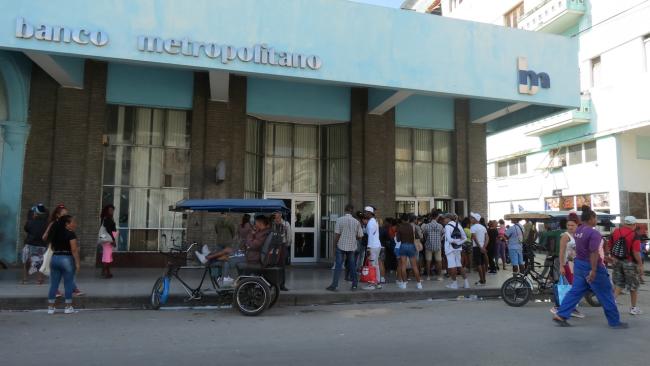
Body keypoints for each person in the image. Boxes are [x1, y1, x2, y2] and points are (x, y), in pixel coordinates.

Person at [552, 206, 626, 328]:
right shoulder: (594, 233)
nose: (596, 220)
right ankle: (614, 321)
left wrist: (604, 258)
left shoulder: (579, 231)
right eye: (595, 217)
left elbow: (583, 249)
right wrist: (594, 269)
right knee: (606, 292)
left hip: (579, 264)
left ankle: (561, 314)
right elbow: (593, 252)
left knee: (575, 291)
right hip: (591, 265)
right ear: (591, 218)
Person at [43, 204, 84, 297]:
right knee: (58, 274)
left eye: (67, 214)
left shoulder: (66, 225)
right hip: (57, 252)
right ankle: (67, 298)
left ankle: (70, 290)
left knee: (64, 273)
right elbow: (45, 237)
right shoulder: (54, 224)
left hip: (63, 252)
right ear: (57, 215)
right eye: (64, 214)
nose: (66, 216)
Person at [550, 213, 584, 318]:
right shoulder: (565, 236)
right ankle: (562, 307)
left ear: (577, 225)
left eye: (572, 225)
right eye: (568, 225)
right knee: (572, 287)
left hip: (577, 265)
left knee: (574, 287)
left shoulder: (579, 235)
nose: (570, 227)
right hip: (567, 265)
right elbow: (561, 252)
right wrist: (561, 266)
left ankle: (567, 307)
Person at [608, 216, 643, 315]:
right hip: (630, 263)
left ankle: (611, 303)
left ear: (624, 223)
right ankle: (633, 308)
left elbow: (609, 245)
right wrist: (640, 264)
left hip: (617, 261)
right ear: (634, 224)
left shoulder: (615, 232)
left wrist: (612, 257)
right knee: (633, 286)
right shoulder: (634, 235)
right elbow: (636, 252)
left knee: (618, 284)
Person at [46, 215, 81, 315]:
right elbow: (74, 250)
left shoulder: (55, 234)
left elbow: (51, 247)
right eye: (73, 222)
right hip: (67, 258)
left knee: (54, 284)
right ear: (67, 224)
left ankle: (51, 308)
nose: (75, 224)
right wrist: (78, 263)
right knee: (68, 284)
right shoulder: (71, 234)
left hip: (55, 257)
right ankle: (68, 307)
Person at [327, 204, 364, 291]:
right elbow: (360, 236)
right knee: (352, 265)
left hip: (341, 246)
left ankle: (334, 285)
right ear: (352, 211)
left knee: (338, 266)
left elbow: (337, 235)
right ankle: (354, 284)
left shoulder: (339, 220)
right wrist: (354, 237)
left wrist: (334, 245)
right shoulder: (356, 222)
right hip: (351, 247)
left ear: (345, 210)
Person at [22, 204, 49, 284]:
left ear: (35, 213)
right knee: (40, 262)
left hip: (30, 244)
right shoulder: (46, 224)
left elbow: (26, 229)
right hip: (41, 245)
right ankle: (39, 279)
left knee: (27, 261)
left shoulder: (30, 222)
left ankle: (25, 279)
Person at [395, 214, 423, 289]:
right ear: (408, 219)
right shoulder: (413, 227)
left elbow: (398, 240)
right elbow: (418, 237)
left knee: (403, 266)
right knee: (414, 266)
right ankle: (419, 283)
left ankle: (404, 283)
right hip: (411, 246)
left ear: (402, 220)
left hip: (403, 246)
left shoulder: (400, 228)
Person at [443, 213, 469, 289]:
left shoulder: (447, 226)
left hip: (450, 249)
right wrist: (458, 243)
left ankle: (454, 284)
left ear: (448, 219)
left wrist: (455, 242)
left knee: (452, 266)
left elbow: (449, 239)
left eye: (444, 218)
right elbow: (465, 238)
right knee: (459, 265)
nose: (443, 220)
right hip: (458, 248)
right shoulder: (458, 225)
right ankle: (466, 283)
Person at [271, 212, 291, 291]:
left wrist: (287, 244)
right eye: (275, 217)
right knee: (273, 265)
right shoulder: (272, 224)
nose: (276, 219)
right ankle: (273, 284)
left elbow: (289, 235)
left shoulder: (286, 224)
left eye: (277, 217)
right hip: (273, 246)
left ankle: (282, 284)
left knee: (282, 266)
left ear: (280, 216)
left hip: (282, 246)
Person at [363, 206, 382, 290]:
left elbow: (370, 236)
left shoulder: (371, 223)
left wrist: (368, 248)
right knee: (376, 265)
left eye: (366, 212)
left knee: (372, 265)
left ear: (369, 213)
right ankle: (377, 282)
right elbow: (367, 232)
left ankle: (372, 284)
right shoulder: (374, 221)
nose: (364, 213)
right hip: (377, 245)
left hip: (372, 247)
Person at [422, 211, 444, 281]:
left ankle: (428, 276)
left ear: (431, 217)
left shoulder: (426, 226)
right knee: (439, 261)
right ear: (437, 217)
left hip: (428, 245)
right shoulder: (440, 226)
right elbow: (442, 234)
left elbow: (425, 235)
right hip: (437, 245)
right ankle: (439, 276)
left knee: (428, 261)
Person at [470, 213, 489, 286]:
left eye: (472, 218)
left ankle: (481, 280)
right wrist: (484, 247)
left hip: (477, 247)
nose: (471, 219)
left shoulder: (473, 227)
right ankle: (484, 279)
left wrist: (480, 247)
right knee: (483, 264)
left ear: (475, 219)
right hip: (482, 247)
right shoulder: (483, 227)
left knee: (478, 264)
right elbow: (487, 238)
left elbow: (474, 238)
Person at [99, 204, 117, 279]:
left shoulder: (106, 218)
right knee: (107, 256)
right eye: (110, 210)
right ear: (107, 211)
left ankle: (104, 271)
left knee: (106, 255)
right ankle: (107, 272)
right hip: (108, 239)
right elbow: (109, 230)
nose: (112, 211)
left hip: (106, 239)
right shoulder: (107, 219)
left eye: (112, 210)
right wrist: (113, 240)